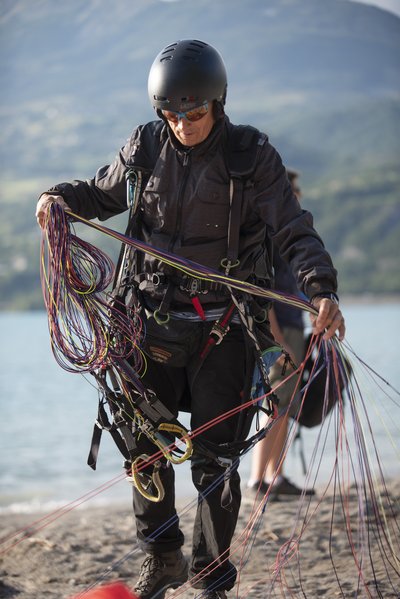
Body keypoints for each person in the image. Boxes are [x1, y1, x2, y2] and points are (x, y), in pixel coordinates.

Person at [36, 39, 345, 599]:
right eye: (171, 114)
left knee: (215, 459)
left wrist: (321, 289)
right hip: (147, 324)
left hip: (223, 329)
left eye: (194, 113)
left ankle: (211, 576)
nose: (183, 124)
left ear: (217, 103)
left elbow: (294, 230)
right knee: (142, 449)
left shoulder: (252, 158)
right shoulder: (145, 147)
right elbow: (98, 194)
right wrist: (57, 198)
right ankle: (162, 556)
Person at [248, 169, 316, 499]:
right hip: (280, 331)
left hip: (294, 326)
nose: (297, 195)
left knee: (284, 406)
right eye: (293, 190)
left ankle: (276, 474)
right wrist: (276, 339)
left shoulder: (286, 236)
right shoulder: (269, 238)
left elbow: (292, 289)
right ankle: (258, 479)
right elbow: (264, 293)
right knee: (273, 404)